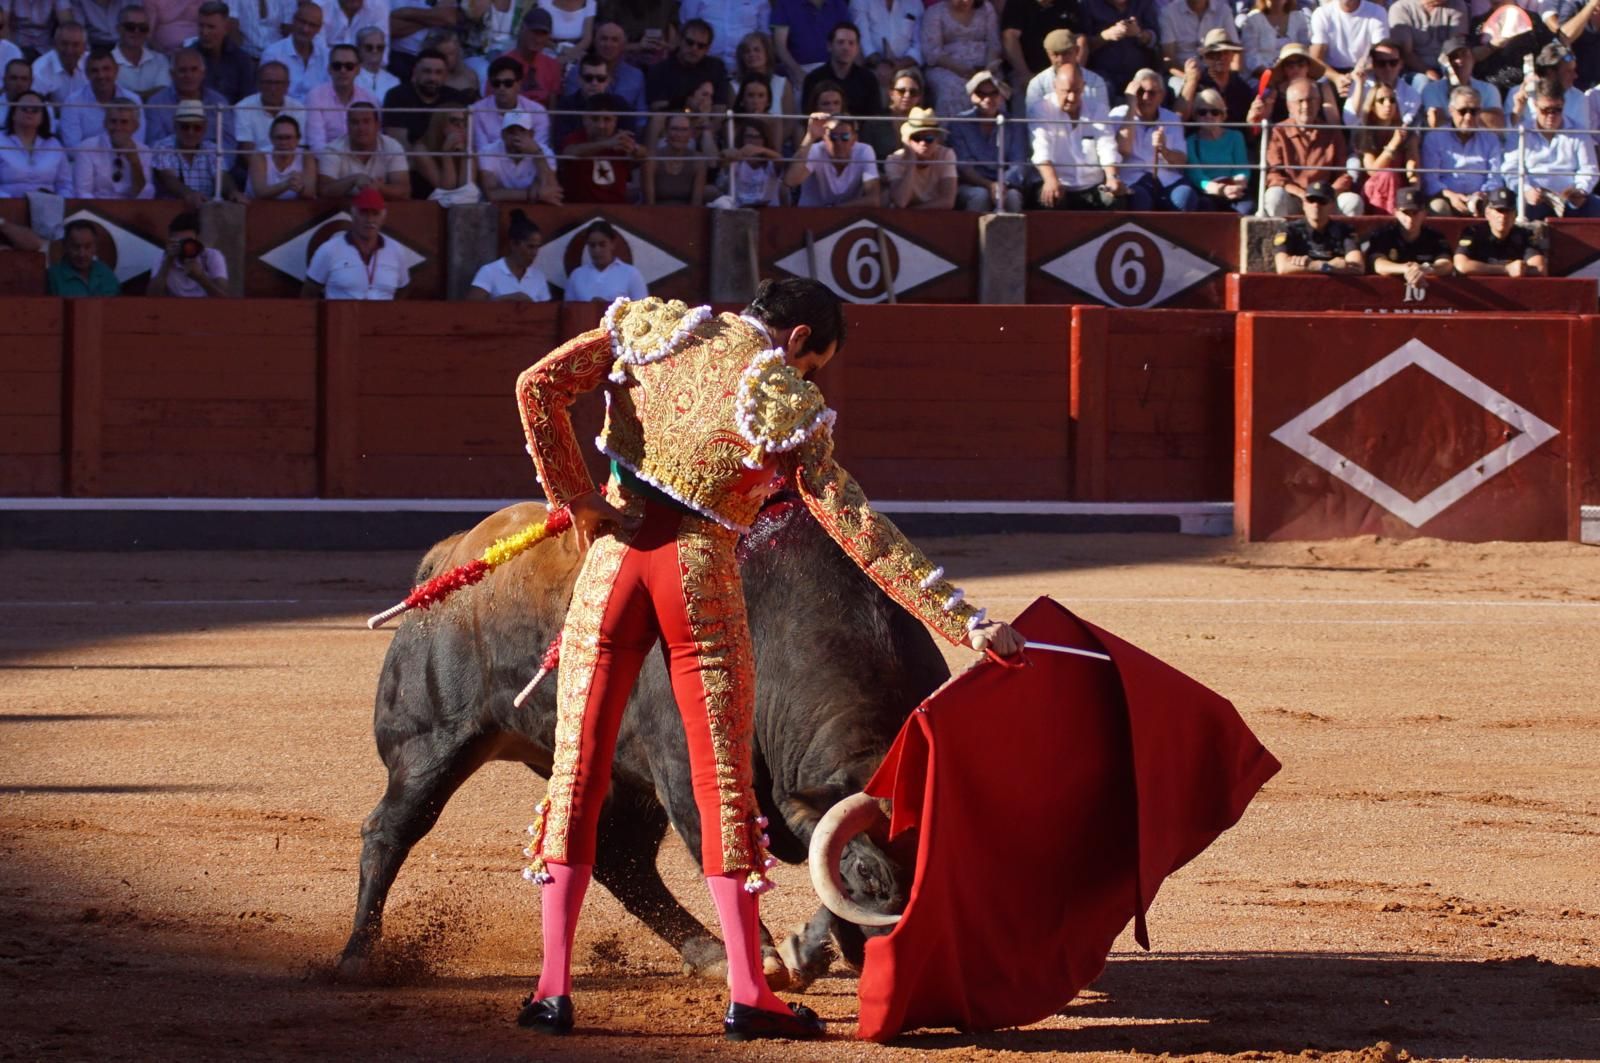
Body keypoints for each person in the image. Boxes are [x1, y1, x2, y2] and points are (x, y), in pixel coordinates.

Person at [510, 275, 1022, 1041]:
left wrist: (573, 495)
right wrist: (967, 622)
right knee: (723, 783)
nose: (809, 377)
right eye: (814, 364)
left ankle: (552, 992)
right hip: (697, 573)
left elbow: (538, 386)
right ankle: (750, 993)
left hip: (611, 566)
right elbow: (856, 525)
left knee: (576, 772)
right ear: (798, 339)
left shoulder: (655, 327)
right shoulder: (783, 395)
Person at [1502, 76, 1600, 219]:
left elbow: (1589, 168)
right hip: (1535, 197)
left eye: (1557, 110)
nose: (1551, 115)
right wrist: (1526, 189)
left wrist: (1581, 190)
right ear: (1535, 105)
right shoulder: (1521, 132)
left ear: (1563, 105)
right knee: (1523, 208)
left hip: (1570, 198)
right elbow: (1510, 168)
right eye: (1545, 110)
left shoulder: (1578, 132)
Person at [1264, 77, 1361, 217]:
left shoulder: (1332, 132)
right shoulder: (1279, 132)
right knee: (1274, 196)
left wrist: (1326, 194)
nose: (1306, 106)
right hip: (1294, 197)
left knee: (1352, 201)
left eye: (1310, 100)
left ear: (1319, 103)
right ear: (1289, 106)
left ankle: (1338, 232)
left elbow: (1342, 175)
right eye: (1300, 101)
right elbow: (1274, 175)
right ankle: (1281, 232)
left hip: (1325, 198)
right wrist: (1302, 194)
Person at [1028, 61, 1118, 209]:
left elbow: (1107, 147)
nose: (1071, 97)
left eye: (1076, 91)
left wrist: (1112, 178)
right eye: (1066, 91)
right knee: (1050, 197)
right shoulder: (1041, 109)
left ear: (1083, 87)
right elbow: (1041, 149)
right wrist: (1050, 180)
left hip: (1093, 185)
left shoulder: (1098, 109)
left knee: (1115, 198)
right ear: (1055, 86)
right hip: (1058, 183)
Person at [1106, 68, 1192, 211]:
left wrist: (1164, 150)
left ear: (1161, 96)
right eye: (1140, 92)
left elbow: (1181, 161)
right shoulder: (1118, 114)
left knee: (1185, 197)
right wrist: (1131, 106)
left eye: (1152, 93)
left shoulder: (1172, 119)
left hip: (1166, 179)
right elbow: (1123, 150)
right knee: (1140, 198)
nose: (1145, 97)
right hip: (1133, 179)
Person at [303, 185, 409, 297]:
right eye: (364, 213)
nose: (370, 220)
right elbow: (309, 294)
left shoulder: (396, 250)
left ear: (383, 218)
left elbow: (403, 291)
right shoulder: (328, 250)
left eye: (375, 213)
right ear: (353, 214)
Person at [947, 67, 1025, 211]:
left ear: (1001, 96)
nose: (987, 99)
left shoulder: (1013, 124)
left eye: (993, 93)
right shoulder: (959, 123)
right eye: (981, 94)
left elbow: (1018, 163)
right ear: (972, 96)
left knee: (1013, 197)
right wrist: (989, 185)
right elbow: (963, 167)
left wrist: (1002, 184)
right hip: (971, 185)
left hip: (1005, 184)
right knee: (980, 196)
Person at [1420, 85, 1502, 216]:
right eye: (1463, 111)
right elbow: (1430, 180)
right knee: (1438, 207)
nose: (1468, 117)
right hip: (1446, 198)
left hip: (1482, 198)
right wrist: (1451, 196)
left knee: (1500, 207)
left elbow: (1495, 177)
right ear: (1451, 111)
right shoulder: (1434, 138)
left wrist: (1481, 194)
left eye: (1474, 111)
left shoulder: (1491, 139)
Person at [558, 92, 645, 202]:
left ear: (615, 121)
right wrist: (607, 143)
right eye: (595, 119)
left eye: (607, 119)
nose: (600, 125)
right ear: (584, 119)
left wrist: (634, 148)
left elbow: (645, 154)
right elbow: (569, 152)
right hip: (579, 208)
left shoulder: (621, 139)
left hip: (617, 209)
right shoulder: (575, 138)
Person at [152, 97, 242, 202]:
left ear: (205, 128)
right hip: (172, 208)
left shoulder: (212, 148)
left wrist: (232, 191)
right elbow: (168, 178)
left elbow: (222, 176)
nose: (191, 132)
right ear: (175, 126)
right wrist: (189, 194)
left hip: (206, 207)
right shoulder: (163, 146)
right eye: (185, 127)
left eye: (197, 128)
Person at [144, 48, 234, 151]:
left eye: (194, 69)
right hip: (168, 160)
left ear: (203, 73)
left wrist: (214, 160)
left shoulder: (218, 101)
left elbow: (228, 143)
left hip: (212, 160)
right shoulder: (156, 103)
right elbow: (154, 144)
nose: (189, 75)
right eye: (182, 70)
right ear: (172, 75)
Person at [382, 47, 470, 152]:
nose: (432, 78)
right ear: (415, 72)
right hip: (409, 158)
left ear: (446, 75)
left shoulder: (456, 98)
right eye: (427, 71)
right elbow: (398, 143)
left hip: (447, 156)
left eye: (438, 72)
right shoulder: (397, 96)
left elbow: (463, 137)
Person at [921, 0, 1000, 116]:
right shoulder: (935, 12)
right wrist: (962, 69)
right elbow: (932, 51)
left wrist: (988, 69)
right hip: (948, 68)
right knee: (952, 90)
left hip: (984, 67)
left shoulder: (986, 9)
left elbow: (994, 43)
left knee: (993, 87)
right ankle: (955, 126)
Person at [316, 100, 410, 197]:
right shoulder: (333, 150)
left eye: (366, 121)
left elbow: (404, 190)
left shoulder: (392, 147)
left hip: (380, 205)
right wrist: (354, 179)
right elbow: (324, 190)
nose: (361, 128)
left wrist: (379, 188)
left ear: (377, 125)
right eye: (355, 122)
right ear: (347, 126)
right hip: (344, 206)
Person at [784, 110, 879, 205]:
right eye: (833, 137)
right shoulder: (815, 150)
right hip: (812, 212)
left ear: (854, 139)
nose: (838, 143)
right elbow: (790, 181)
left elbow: (874, 199)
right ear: (824, 138)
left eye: (845, 137)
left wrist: (836, 210)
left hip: (847, 213)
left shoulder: (864, 151)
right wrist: (810, 137)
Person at [59, 46, 145, 149]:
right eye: (95, 70)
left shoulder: (133, 100)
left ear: (116, 70)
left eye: (106, 69)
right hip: (86, 158)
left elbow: (138, 143)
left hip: (126, 157)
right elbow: (72, 147)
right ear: (87, 74)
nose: (101, 75)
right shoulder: (72, 102)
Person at [1352, 79, 1418, 215]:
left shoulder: (1407, 133)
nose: (1388, 104)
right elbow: (1372, 170)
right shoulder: (1365, 132)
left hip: (1400, 189)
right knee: (1387, 175)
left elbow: (1412, 164)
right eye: (1381, 100)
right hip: (1374, 188)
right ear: (1372, 106)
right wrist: (1393, 144)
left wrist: (1415, 187)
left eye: (1392, 100)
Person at [1363, 184, 1453, 282]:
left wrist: (1426, 269)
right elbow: (1378, 264)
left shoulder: (1435, 237)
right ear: (1396, 212)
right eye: (1405, 213)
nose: (1410, 219)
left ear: (1424, 213)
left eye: (1415, 213)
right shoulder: (1384, 235)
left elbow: (1446, 264)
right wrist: (1406, 269)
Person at [1184, 86, 1251, 213]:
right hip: (1208, 191)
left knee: (1246, 210)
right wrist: (1220, 189)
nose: (1208, 116)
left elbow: (1242, 168)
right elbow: (1196, 176)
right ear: (1195, 116)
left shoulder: (1236, 137)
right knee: (1206, 207)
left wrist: (1237, 185)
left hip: (1234, 188)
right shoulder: (1190, 141)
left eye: (1214, 112)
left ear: (1222, 115)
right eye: (1202, 112)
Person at [1272, 181, 1363, 274]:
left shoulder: (1345, 231)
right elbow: (1282, 267)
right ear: (1304, 204)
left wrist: (1306, 265)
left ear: (1332, 205)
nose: (1316, 205)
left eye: (1322, 201)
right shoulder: (1288, 229)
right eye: (1311, 200)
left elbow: (1357, 267)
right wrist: (1324, 266)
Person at [799, 21, 880, 124]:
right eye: (840, 42)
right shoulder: (813, 79)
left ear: (857, 49)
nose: (846, 48)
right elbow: (806, 117)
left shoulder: (868, 79)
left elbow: (874, 119)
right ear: (829, 46)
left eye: (851, 43)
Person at [1453, 187, 1545, 275]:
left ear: (1515, 215)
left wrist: (1520, 269)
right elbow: (1461, 266)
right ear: (1487, 213)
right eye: (1499, 210)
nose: (1503, 216)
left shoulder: (1524, 235)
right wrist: (1505, 269)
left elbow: (1539, 268)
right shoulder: (1473, 232)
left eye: (1508, 211)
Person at [561, 19, 646, 114]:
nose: (608, 44)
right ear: (595, 42)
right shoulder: (577, 72)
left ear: (623, 45)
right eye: (604, 39)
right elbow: (570, 110)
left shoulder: (636, 76)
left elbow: (640, 115)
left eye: (615, 40)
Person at [72, 97, 153, 195]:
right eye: (113, 121)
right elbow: (82, 192)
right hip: (95, 203)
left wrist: (135, 162)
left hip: (130, 205)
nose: (118, 127)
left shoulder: (144, 151)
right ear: (105, 123)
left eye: (124, 122)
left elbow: (145, 194)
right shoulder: (87, 148)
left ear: (135, 126)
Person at [466, 208, 551, 301]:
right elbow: (472, 306)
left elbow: (546, 308)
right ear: (513, 244)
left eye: (537, 247)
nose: (535, 253)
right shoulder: (489, 271)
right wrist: (506, 300)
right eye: (530, 247)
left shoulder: (539, 277)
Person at [478, 108, 562, 202]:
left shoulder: (545, 152)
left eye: (522, 131)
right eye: (511, 132)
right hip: (499, 208)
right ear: (503, 135)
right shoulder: (488, 152)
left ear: (531, 134)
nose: (516, 137)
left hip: (533, 208)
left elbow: (552, 191)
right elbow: (492, 194)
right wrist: (533, 195)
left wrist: (537, 154)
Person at [473, 55, 551, 155]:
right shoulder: (478, 110)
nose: (502, 88)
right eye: (496, 83)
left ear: (519, 84)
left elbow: (541, 151)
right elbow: (482, 153)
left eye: (508, 83)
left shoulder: (537, 112)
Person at [646, 16, 728, 110]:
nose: (694, 48)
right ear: (680, 40)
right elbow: (657, 107)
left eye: (701, 46)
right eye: (690, 42)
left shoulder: (716, 68)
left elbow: (720, 107)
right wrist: (687, 105)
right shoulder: (660, 69)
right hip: (671, 118)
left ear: (707, 49)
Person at [1308, 0, 1386, 98]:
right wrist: (1336, 78)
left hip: (1364, 71)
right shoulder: (1322, 14)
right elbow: (1316, 58)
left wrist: (1357, 73)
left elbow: (1380, 51)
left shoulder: (1377, 12)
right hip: (1331, 73)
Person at [1080, 0, 1160, 97]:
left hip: (1138, 70)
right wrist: (1105, 36)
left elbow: (1155, 38)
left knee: (1153, 89)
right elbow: (1082, 45)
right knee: (1103, 89)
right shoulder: (1089, 4)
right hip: (1103, 72)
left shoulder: (1143, 3)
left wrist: (1139, 34)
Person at [0, 91, 74, 195]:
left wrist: (59, 201)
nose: (29, 112)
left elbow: (65, 184)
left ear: (42, 117)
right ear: (13, 114)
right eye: (24, 109)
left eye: (35, 110)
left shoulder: (54, 144)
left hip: (48, 203)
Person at [999, 0, 1078, 97]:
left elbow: (1080, 39)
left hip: (1064, 75)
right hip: (1026, 73)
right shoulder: (1017, 3)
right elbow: (1009, 37)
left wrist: (1073, 74)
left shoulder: (1069, 3)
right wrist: (1025, 75)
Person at [883, 105, 955, 208]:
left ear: (937, 139)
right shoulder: (894, 160)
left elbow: (947, 201)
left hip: (933, 211)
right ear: (907, 140)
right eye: (916, 138)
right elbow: (900, 202)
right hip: (905, 211)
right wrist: (911, 163)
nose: (923, 143)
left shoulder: (946, 155)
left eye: (929, 138)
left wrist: (913, 213)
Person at [1421, 37, 1503, 128]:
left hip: (1481, 137)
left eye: (1464, 54)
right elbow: (1436, 123)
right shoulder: (1432, 89)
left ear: (1472, 59)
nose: (1459, 61)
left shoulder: (1488, 89)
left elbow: (1497, 124)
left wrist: (1459, 115)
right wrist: (1475, 115)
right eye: (1453, 57)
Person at [299, 46, 369, 150]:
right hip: (326, 158)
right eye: (337, 66)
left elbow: (372, 139)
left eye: (349, 66)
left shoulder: (368, 99)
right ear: (329, 69)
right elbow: (316, 144)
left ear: (358, 70)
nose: (343, 71)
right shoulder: (315, 97)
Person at [1341, 38, 1421, 129]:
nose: (1388, 68)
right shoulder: (1361, 85)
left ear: (1401, 64)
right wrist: (1359, 84)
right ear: (1373, 64)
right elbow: (1350, 122)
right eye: (1381, 63)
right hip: (1363, 136)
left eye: (1393, 62)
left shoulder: (1411, 94)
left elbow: (1406, 128)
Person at [1024, 28, 1107, 116]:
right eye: (1055, 54)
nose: (1061, 59)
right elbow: (1035, 118)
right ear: (1048, 54)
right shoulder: (1037, 84)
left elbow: (1101, 116)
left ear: (1077, 51)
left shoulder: (1095, 81)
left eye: (1066, 53)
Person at [1173, 28, 1249, 123]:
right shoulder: (1197, 83)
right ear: (1205, 57)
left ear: (1232, 55)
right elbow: (1178, 118)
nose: (1221, 57)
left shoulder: (1240, 85)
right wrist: (1191, 82)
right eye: (1214, 54)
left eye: (1226, 53)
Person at [1157, 0, 1232, 95]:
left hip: (1216, 71)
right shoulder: (1169, 13)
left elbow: (1234, 50)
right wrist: (1191, 79)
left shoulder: (1223, 10)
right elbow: (1169, 60)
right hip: (1182, 74)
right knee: (1180, 88)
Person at [235, 59, 306, 155]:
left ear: (287, 85)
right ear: (258, 84)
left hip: (290, 160)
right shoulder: (243, 107)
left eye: (278, 83)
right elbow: (246, 149)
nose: (273, 88)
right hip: (256, 161)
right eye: (268, 82)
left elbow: (300, 146)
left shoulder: (298, 108)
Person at [148, 209, 228, 295]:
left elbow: (223, 298)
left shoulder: (211, 256)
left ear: (198, 240)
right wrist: (167, 262)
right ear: (171, 241)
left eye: (189, 242)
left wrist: (200, 277)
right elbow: (152, 296)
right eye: (180, 242)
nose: (185, 246)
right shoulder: (163, 257)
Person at [563, 219, 646, 300]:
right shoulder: (577, 276)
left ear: (612, 244)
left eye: (602, 244)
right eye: (592, 245)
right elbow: (569, 307)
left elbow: (643, 308)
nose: (597, 250)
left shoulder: (631, 274)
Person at [261, 1, 329, 99]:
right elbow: (269, 95)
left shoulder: (326, 56)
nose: (305, 29)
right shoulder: (273, 54)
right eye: (302, 22)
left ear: (319, 29)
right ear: (293, 21)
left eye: (312, 25)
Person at [771, 0, 851, 83]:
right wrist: (798, 72)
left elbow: (848, 40)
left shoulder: (838, 3)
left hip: (834, 69)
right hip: (799, 69)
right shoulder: (785, 3)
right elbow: (780, 47)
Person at [1387, 0, 1464, 82]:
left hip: (1447, 66)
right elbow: (1406, 52)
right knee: (1423, 81)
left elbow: (1456, 46)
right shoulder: (1401, 8)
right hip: (1413, 70)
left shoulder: (1456, 4)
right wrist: (1427, 72)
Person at [711, 118, 782, 207]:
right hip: (739, 209)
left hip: (768, 210)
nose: (753, 141)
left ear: (765, 139)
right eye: (749, 136)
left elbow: (780, 159)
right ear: (742, 138)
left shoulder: (771, 162)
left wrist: (762, 150)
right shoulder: (736, 160)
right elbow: (718, 162)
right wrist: (727, 154)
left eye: (758, 137)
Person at [193, 0, 255, 102]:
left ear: (226, 27)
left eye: (211, 27)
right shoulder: (190, 58)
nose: (205, 32)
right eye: (201, 26)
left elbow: (247, 101)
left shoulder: (242, 60)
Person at [853, 0, 922, 90]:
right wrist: (882, 65)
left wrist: (898, 64)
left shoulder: (915, 3)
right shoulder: (861, 2)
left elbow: (919, 45)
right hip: (872, 65)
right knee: (877, 85)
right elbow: (863, 41)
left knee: (911, 85)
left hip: (907, 65)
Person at [642, 110, 706, 204]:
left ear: (690, 133)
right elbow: (649, 204)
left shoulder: (698, 161)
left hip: (688, 212)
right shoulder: (652, 160)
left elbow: (696, 204)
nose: (679, 134)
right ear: (666, 132)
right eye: (674, 129)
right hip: (656, 211)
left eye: (684, 130)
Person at [247, 111, 316, 196]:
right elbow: (260, 192)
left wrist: (301, 189)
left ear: (298, 139)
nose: (284, 142)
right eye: (279, 138)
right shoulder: (260, 156)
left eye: (288, 137)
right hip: (260, 204)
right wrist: (287, 184)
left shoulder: (306, 156)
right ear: (271, 139)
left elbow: (310, 192)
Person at [410, 104, 472, 198]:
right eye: (456, 123)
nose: (461, 128)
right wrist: (446, 153)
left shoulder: (469, 146)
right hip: (427, 201)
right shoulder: (420, 149)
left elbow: (466, 187)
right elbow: (447, 188)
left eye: (465, 124)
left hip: (460, 202)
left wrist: (465, 153)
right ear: (440, 125)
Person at [503, 7, 562, 106]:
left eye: (543, 34)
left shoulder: (553, 66)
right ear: (522, 28)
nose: (538, 39)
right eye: (534, 32)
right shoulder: (503, 64)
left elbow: (553, 109)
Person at [1240, 0, 1309, 82]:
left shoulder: (1299, 17)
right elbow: (1251, 58)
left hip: (1294, 74)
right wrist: (1273, 77)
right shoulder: (1253, 19)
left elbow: (1304, 51)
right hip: (1260, 77)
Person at [112, 5, 171, 102]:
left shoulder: (160, 60)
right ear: (119, 29)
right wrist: (150, 94)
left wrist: (127, 95)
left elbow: (164, 93)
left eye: (143, 28)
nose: (137, 31)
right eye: (130, 27)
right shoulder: (107, 62)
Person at [47, 218, 120, 295]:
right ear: (65, 246)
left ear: (95, 247)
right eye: (76, 247)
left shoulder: (106, 273)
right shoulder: (52, 277)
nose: (82, 254)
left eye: (87, 247)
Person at [32, 23, 90, 104]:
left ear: (84, 47)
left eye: (75, 45)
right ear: (55, 44)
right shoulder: (40, 70)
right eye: (64, 44)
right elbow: (37, 105)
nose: (69, 50)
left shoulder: (94, 65)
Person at [537, 0, 597, 68]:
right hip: (548, 54)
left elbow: (587, 39)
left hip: (576, 58)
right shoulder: (544, 2)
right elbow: (540, 36)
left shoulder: (590, 3)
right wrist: (560, 49)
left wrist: (566, 58)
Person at [353, 26, 398, 97]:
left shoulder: (394, 81)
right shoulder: (351, 77)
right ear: (359, 49)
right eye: (369, 47)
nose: (375, 51)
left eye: (379, 47)